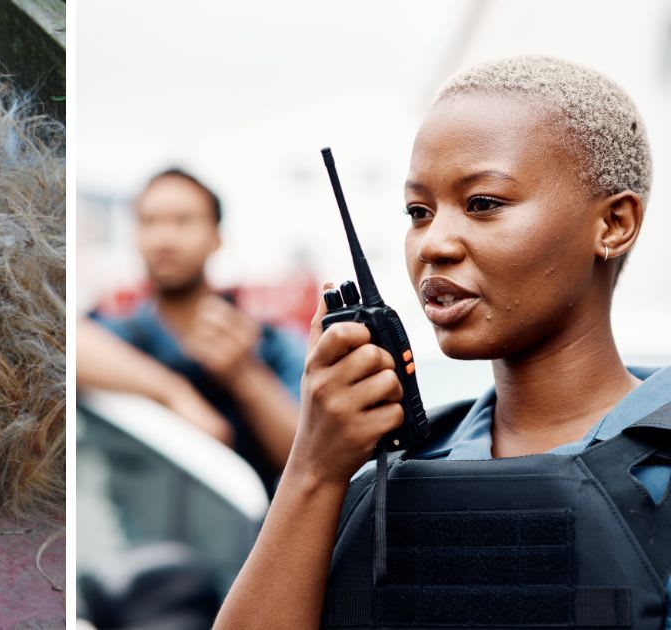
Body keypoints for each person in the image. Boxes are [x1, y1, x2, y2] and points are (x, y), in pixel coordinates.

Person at [215, 55, 671, 629]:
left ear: (614, 224)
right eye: (418, 211)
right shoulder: (375, 480)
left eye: (483, 204)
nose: (433, 243)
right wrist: (313, 469)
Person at [78, 168, 307, 491]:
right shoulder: (119, 336)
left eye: (183, 221)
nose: (165, 238)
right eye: (149, 222)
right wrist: (173, 393)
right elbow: (67, 342)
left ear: (217, 238)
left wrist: (245, 375)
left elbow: (309, 458)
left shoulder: (271, 343)